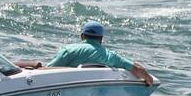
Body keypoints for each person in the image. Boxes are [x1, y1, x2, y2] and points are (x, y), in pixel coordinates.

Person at [20, 21, 155, 85]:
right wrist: (148, 79)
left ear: (82, 36)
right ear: (101, 39)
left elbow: (46, 71)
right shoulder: (109, 55)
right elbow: (136, 68)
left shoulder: (69, 50)